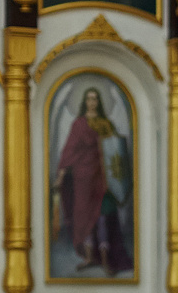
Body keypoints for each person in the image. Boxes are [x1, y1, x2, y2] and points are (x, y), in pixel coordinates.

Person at [55, 85, 133, 276]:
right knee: (85, 220)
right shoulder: (78, 124)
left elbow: (114, 152)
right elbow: (69, 151)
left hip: (103, 178)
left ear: (98, 102)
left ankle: (107, 260)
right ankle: (90, 258)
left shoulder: (106, 124)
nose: (92, 102)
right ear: (85, 102)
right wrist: (61, 176)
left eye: (95, 99)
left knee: (103, 218)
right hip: (83, 179)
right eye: (89, 99)